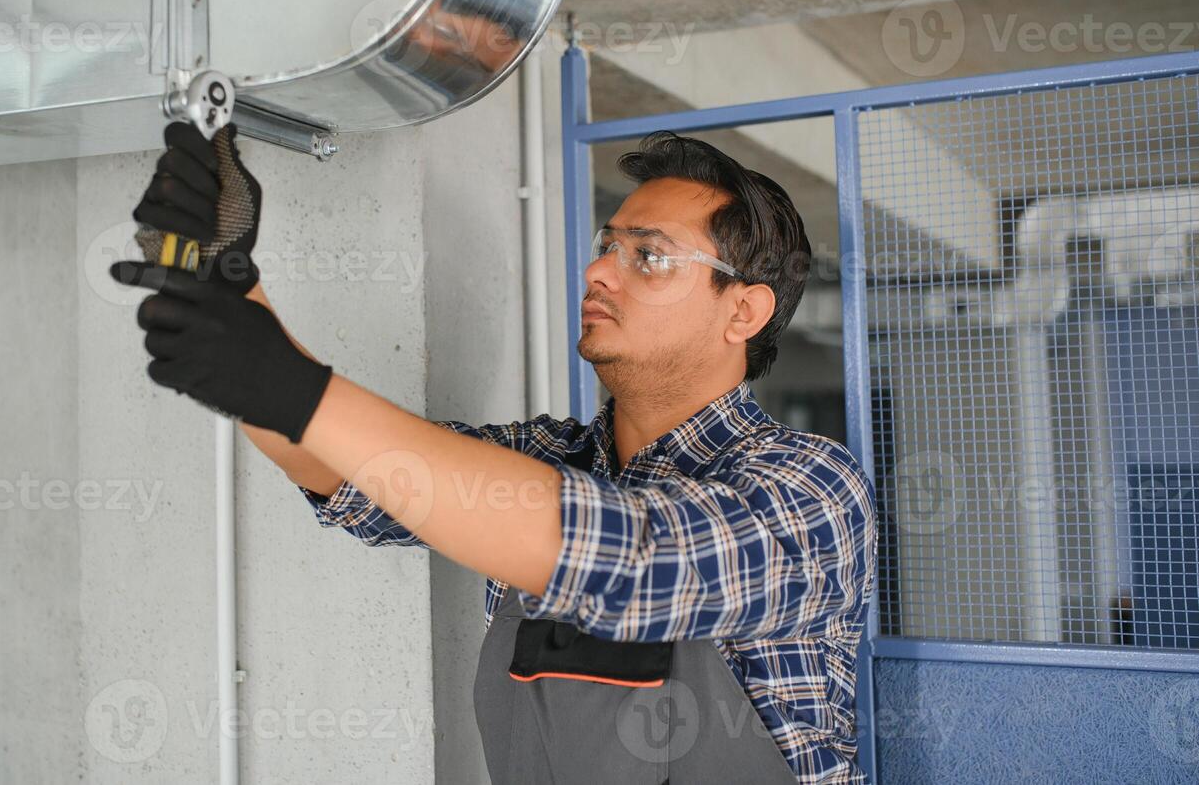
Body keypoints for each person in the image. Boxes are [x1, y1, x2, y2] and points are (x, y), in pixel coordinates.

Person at [113, 125, 876, 784]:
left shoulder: (809, 487)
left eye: (648, 257)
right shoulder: (550, 456)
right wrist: (226, 283)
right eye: (607, 244)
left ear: (743, 309)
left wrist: (294, 388)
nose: (597, 271)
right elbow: (358, 478)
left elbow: (633, 561)